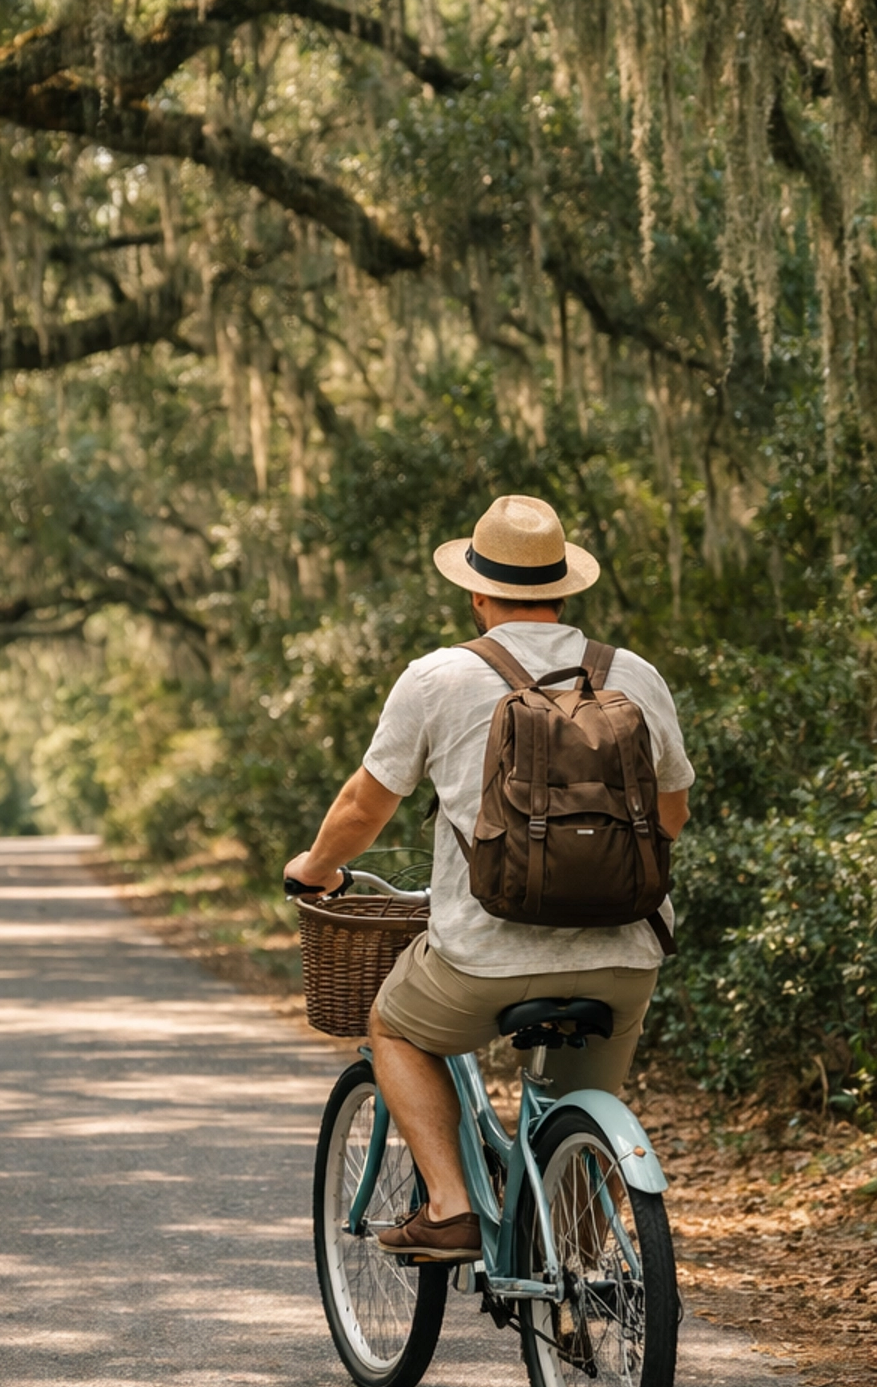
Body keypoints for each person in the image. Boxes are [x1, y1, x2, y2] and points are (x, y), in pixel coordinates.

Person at [285, 494, 693, 1263]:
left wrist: (317, 869)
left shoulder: (438, 677)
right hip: (624, 955)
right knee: (583, 1103)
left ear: (476, 593)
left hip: (483, 956)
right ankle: (575, 1284)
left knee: (395, 1026)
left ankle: (449, 1208)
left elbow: (364, 804)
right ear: (564, 589)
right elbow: (670, 816)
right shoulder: (634, 674)